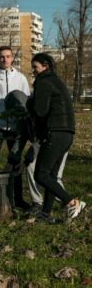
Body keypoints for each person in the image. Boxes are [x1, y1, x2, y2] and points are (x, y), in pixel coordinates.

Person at [26, 52, 86, 222]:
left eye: (35, 67)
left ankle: (71, 202)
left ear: (45, 66)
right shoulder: (57, 81)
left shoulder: (43, 82)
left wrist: (29, 102)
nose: (33, 71)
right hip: (67, 134)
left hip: (55, 132)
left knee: (41, 175)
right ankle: (45, 215)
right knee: (51, 176)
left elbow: (40, 110)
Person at [0, 45, 30, 210]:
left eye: (7, 56)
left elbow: (25, 99)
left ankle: (17, 199)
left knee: (15, 162)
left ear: (12, 58)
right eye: (1, 56)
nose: (4, 59)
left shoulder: (20, 78)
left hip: (14, 126)